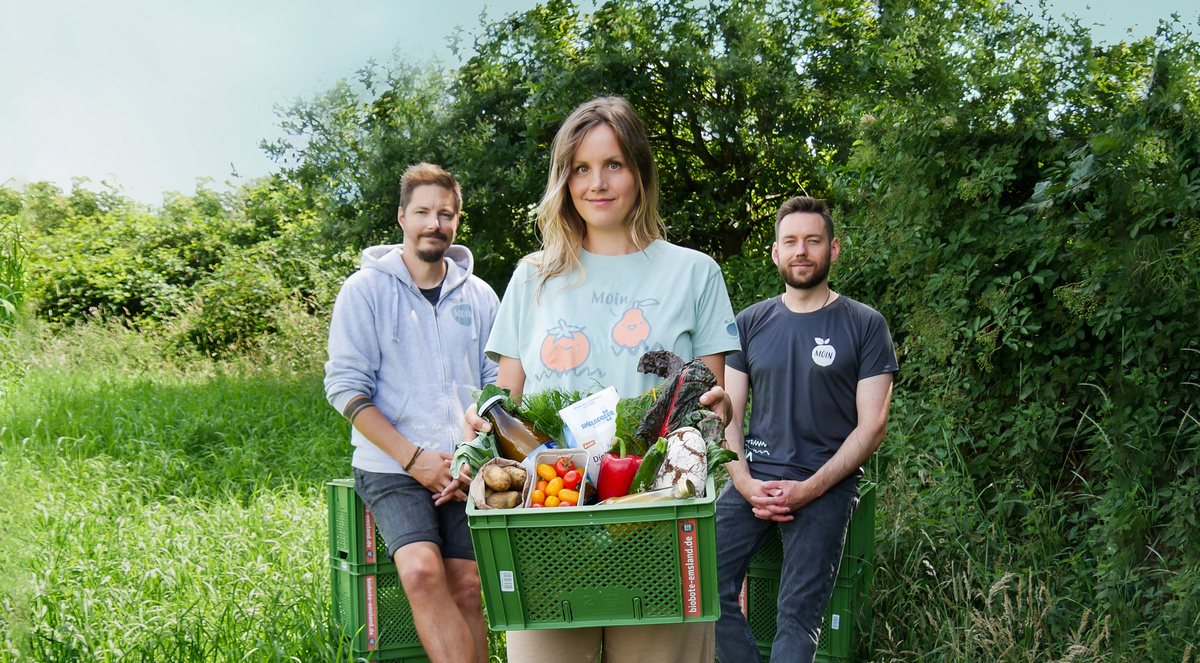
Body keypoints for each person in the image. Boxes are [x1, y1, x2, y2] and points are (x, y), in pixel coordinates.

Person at [465, 96, 740, 662]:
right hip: (548, 523)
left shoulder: (693, 272)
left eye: (613, 164)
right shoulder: (532, 277)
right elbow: (505, 404)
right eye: (581, 168)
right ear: (564, 181)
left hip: (658, 522)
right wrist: (479, 422)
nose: (598, 182)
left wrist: (720, 410)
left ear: (640, 172)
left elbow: (708, 405)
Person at [324, 162, 497, 663]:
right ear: (402, 217)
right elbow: (345, 388)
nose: (433, 223)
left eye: (445, 214)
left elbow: (495, 387)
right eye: (422, 211)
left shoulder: (480, 295)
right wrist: (414, 458)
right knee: (422, 572)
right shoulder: (364, 291)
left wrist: (470, 456)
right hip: (390, 464)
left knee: (467, 585)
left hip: (465, 466)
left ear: (457, 223)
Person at [713, 196, 898, 663]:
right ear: (775, 253)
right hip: (753, 475)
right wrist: (745, 483)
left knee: (796, 615)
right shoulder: (750, 322)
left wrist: (809, 489)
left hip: (826, 482)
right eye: (790, 241)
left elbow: (872, 426)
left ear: (832, 250)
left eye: (812, 241)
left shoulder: (865, 324)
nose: (801, 250)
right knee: (698, 583)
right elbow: (729, 415)